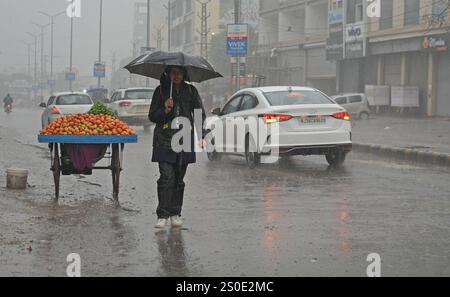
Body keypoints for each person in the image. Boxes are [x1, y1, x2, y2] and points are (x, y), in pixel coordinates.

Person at [149, 66, 207, 229]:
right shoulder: (160, 91)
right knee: (166, 177)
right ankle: (162, 214)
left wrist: (201, 135)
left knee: (178, 180)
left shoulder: (190, 91)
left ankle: (175, 213)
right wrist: (165, 110)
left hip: (184, 140)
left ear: (184, 74)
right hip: (164, 140)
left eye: (179, 73)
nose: (176, 76)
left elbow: (198, 114)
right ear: (168, 73)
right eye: (173, 72)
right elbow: (152, 115)